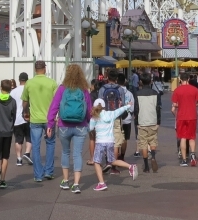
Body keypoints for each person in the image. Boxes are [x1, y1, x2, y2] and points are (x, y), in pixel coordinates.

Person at [46, 63, 94, 193]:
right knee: (77, 154)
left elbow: (54, 107)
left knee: (65, 152)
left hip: (64, 126)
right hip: (81, 126)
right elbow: (90, 110)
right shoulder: (84, 89)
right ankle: (77, 184)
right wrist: (90, 124)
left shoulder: (62, 88)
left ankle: (66, 181)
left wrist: (50, 124)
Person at [89, 96, 137, 190]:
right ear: (104, 106)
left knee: (96, 162)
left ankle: (101, 183)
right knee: (112, 160)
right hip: (110, 141)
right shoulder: (110, 114)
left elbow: (90, 128)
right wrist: (127, 106)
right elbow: (119, 110)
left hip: (100, 142)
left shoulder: (94, 118)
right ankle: (130, 166)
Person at [21, 60, 58, 182]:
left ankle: (38, 174)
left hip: (35, 118)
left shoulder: (29, 83)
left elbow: (25, 101)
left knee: (35, 146)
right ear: (45, 69)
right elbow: (57, 101)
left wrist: (25, 112)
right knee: (50, 143)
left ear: (35, 69)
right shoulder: (52, 83)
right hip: (49, 119)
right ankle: (49, 171)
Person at [98, 70, 134, 172]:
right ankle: (113, 164)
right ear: (116, 79)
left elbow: (99, 105)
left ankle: (108, 161)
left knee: (106, 139)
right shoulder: (120, 89)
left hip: (105, 118)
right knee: (116, 142)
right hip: (116, 118)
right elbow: (121, 105)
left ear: (107, 77)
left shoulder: (102, 89)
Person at [0, 79, 17, 189]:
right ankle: (2, 180)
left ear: (1, 88)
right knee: (5, 156)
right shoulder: (13, 101)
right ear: (10, 89)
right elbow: (13, 116)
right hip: (7, 131)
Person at [172, 72, 198, 166]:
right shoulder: (194, 89)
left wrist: (179, 105)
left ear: (180, 79)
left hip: (181, 116)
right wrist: (193, 105)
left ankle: (184, 160)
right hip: (192, 115)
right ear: (188, 79)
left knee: (183, 137)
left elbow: (174, 104)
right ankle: (193, 155)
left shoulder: (177, 90)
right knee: (192, 137)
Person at [134, 72, 160, 172]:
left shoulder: (137, 94)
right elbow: (158, 108)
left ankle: (146, 166)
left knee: (143, 144)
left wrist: (136, 121)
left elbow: (136, 109)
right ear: (150, 81)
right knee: (153, 141)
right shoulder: (155, 93)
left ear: (141, 82)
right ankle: (153, 156)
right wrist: (158, 121)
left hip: (142, 121)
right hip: (153, 120)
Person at [10, 71, 32, 166]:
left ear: (19, 80)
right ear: (27, 80)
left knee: (18, 139)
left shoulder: (13, 91)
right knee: (29, 137)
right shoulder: (29, 89)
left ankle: (19, 159)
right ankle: (27, 153)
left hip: (17, 119)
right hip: (28, 117)